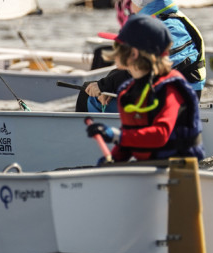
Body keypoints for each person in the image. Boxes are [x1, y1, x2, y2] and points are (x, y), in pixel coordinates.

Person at [85, 15, 204, 163]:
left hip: (179, 172)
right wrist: (114, 159)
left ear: (133, 54)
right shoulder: (126, 91)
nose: (114, 51)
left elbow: (160, 135)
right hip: (148, 168)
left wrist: (115, 135)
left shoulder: (170, 89)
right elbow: (130, 139)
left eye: (119, 47)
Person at [84, 0, 206, 109]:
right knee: (92, 92)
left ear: (140, 1)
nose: (131, 6)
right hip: (164, 93)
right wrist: (107, 85)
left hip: (179, 101)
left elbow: (152, 65)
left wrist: (107, 85)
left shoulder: (172, 26)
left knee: (90, 99)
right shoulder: (161, 20)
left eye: (133, 1)